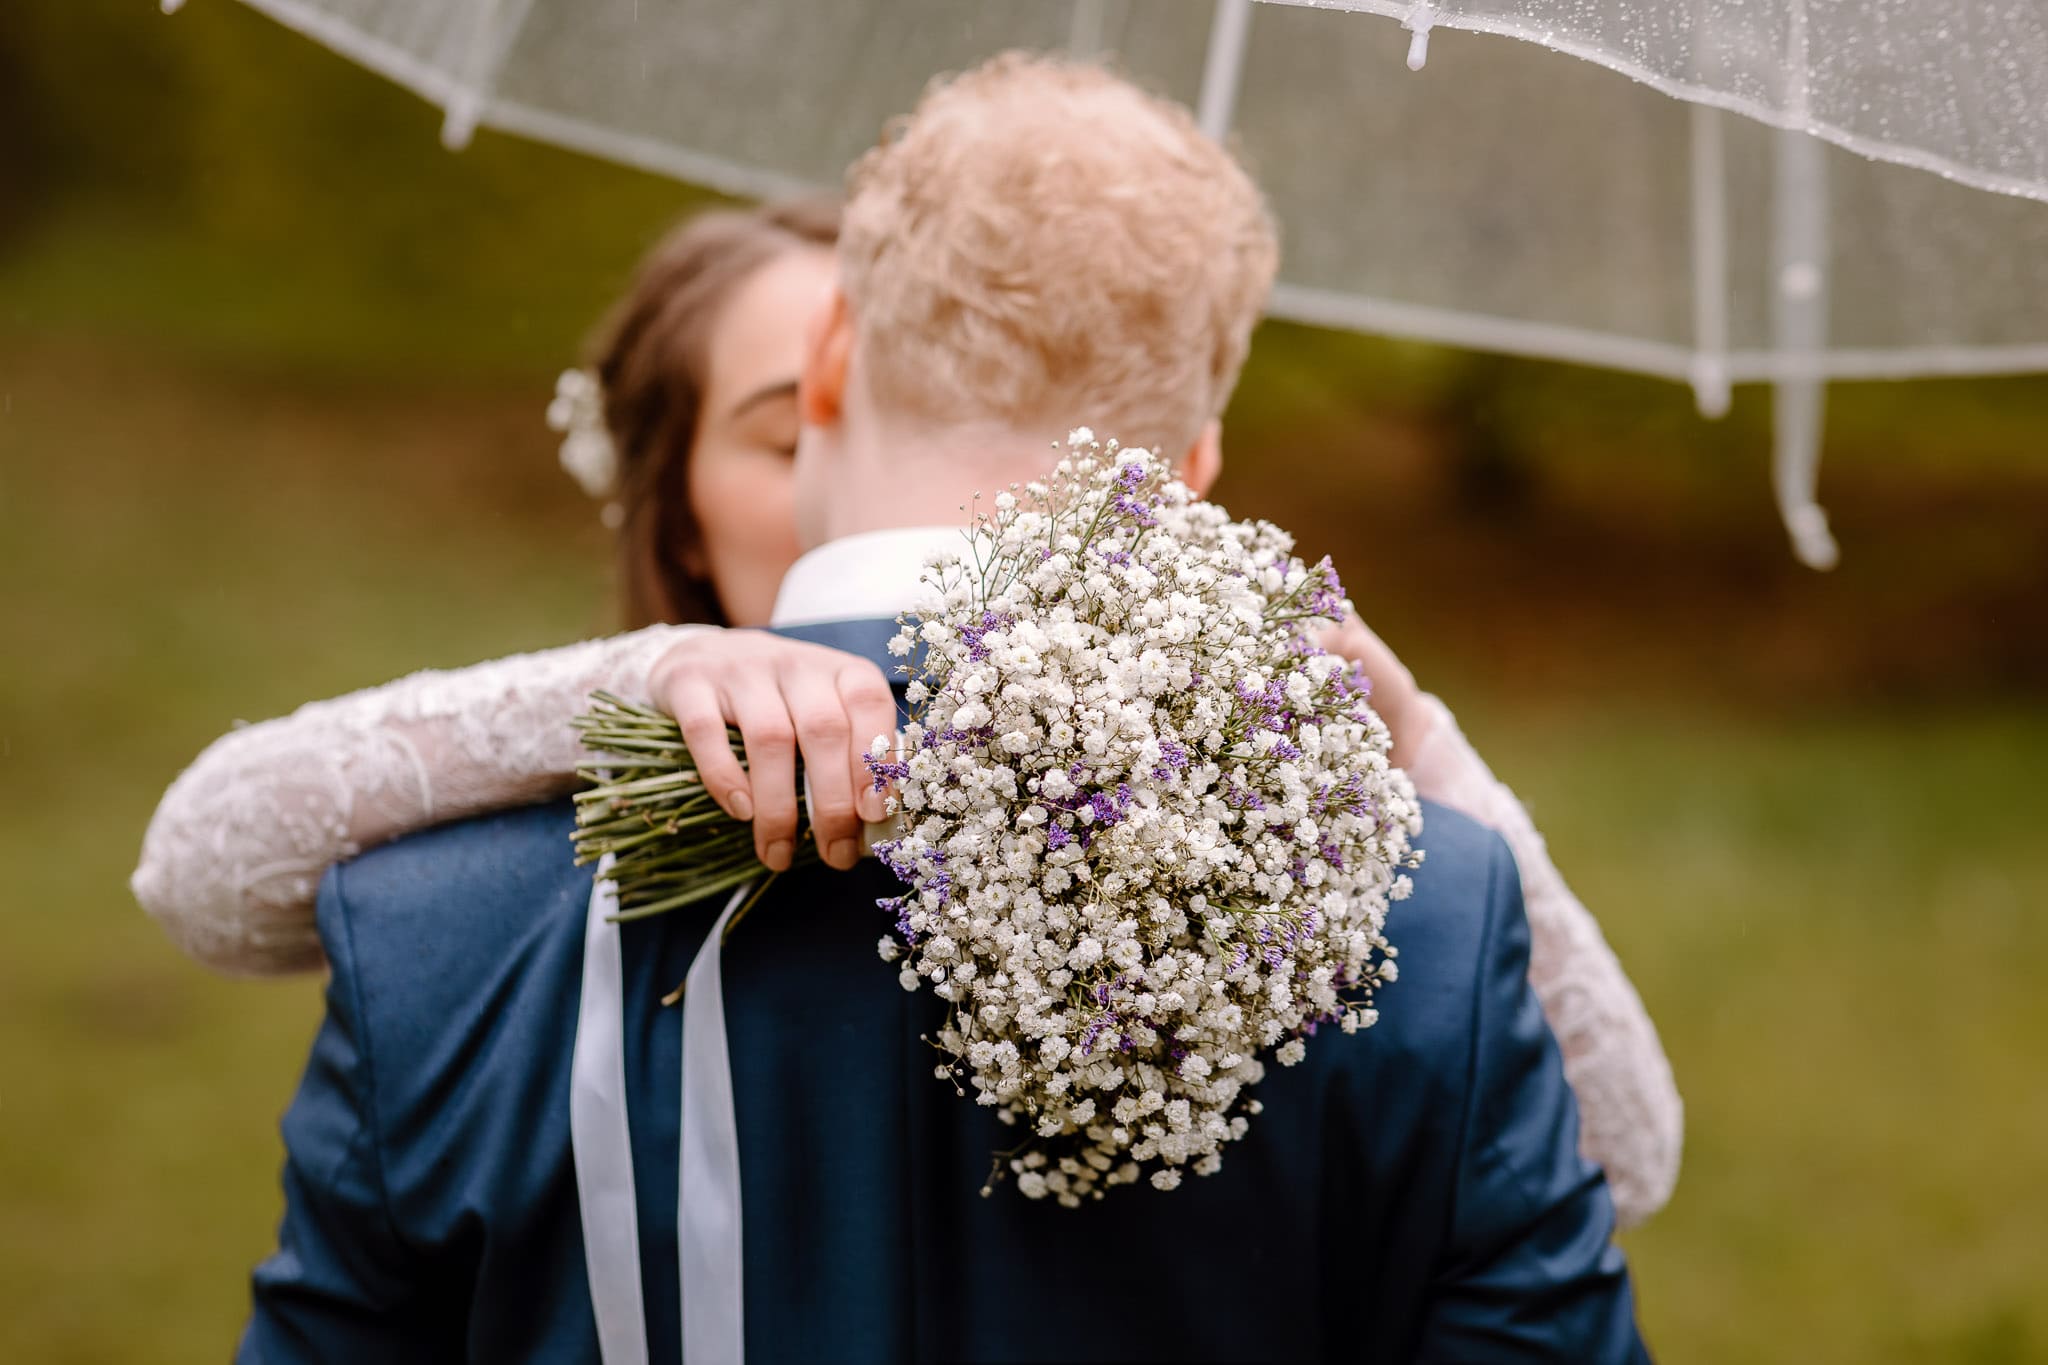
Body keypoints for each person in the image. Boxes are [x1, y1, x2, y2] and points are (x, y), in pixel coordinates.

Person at [196, 54, 1653, 1361]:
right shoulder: (1421, 920)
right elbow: (1617, 1168)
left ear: (829, 360)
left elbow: (199, 878)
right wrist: (1409, 746)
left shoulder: (434, 922)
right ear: (1192, 469)